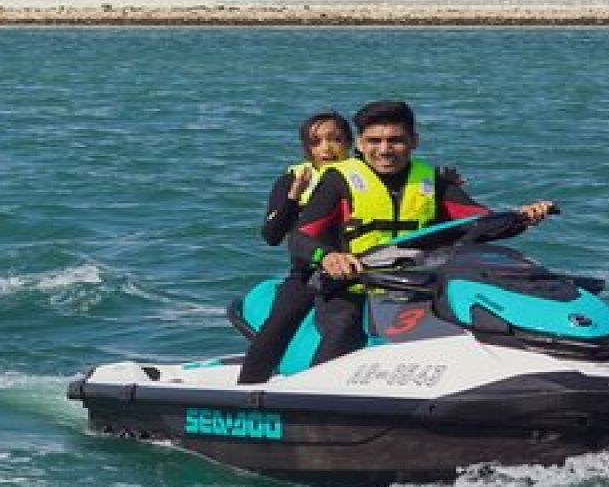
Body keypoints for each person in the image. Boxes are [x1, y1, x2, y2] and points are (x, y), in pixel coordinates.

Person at [288, 99, 555, 365]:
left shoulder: (432, 182)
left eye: (395, 140)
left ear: (414, 141)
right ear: (359, 144)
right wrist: (328, 257)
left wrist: (523, 218)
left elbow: (480, 222)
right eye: (374, 141)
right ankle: (309, 398)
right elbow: (301, 237)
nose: (384, 150)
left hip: (418, 287)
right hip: (351, 286)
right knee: (343, 328)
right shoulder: (338, 180)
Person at [236, 111, 354, 383]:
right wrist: (292, 199)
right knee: (278, 324)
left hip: (354, 274)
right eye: (316, 142)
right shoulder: (293, 178)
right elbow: (271, 235)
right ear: (306, 148)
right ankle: (247, 389)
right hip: (308, 274)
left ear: (349, 143)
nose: (326, 148)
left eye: (335, 139)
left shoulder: (363, 177)